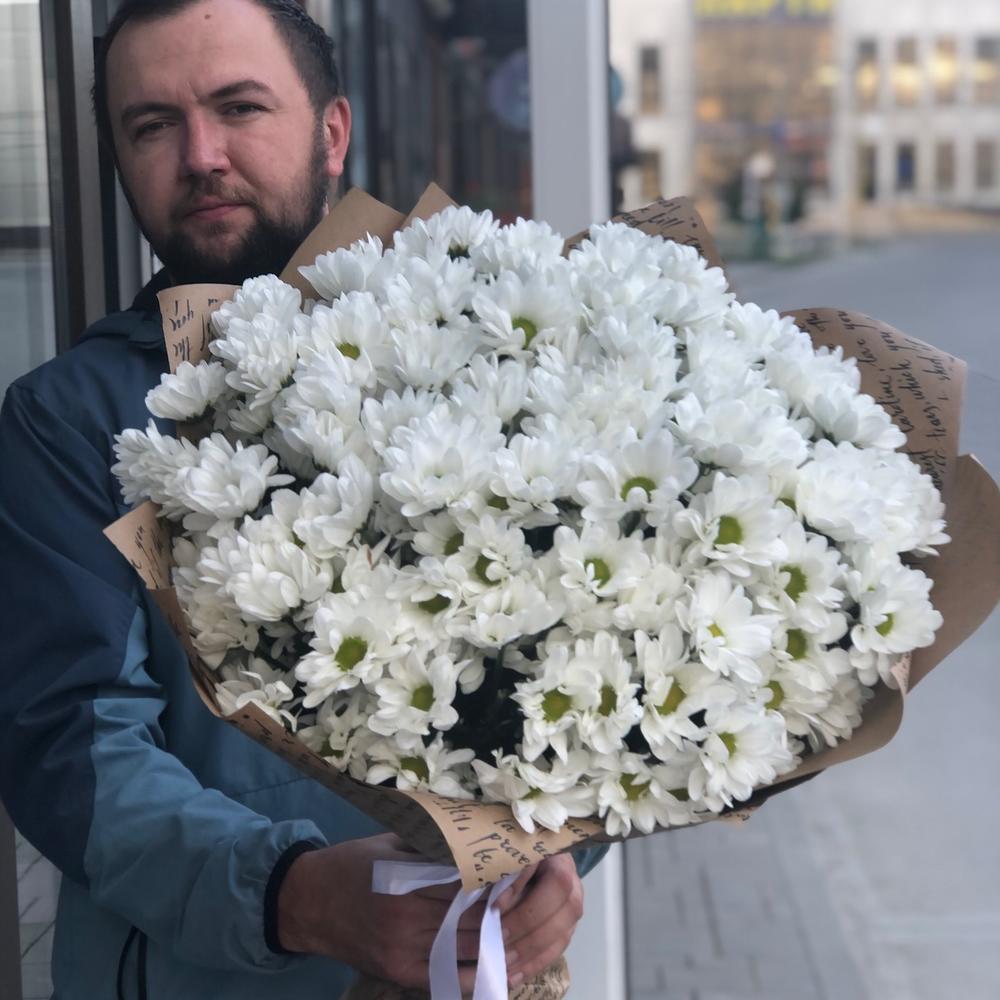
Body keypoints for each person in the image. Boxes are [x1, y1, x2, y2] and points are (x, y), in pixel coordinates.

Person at [0, 1, 603, 996]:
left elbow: (594, 666)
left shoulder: (471, 357)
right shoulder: (68, 420)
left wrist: (564, 849)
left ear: (332, 131)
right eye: (152, 125)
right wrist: (297, 895)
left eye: (239, 107)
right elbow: (70, 749)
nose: (200, 155)